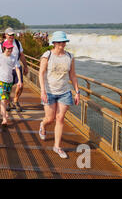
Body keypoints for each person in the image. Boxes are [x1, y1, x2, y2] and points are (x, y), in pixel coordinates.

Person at [38, 31, 80, 159]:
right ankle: (42, 125)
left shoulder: (69, 57)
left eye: (64, 42)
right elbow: (41, 73)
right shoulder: (47, 55)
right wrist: (43, 91)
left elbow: (72, 75)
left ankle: (57, 146)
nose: (62, 44)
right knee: (50, 119)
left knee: (60, 118)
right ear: (54, 43)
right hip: (50, 92)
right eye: (60, 42)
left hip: (64, 92)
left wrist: (77, 92)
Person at [0, 41, 22, 127]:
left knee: (6, 100)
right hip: (1, 80)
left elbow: (17, 69)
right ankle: (4, 119)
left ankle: (3, 111)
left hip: (9, 81)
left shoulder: (14, 57)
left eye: (11, 48)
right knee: (3, 98)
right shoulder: (0, 57)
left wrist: (20, 81)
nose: (10, 50)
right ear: (4, 48)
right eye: (8, 48)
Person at [0, 28, 28, 112]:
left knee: (20, 85)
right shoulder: (2, 44)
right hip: (7, 68)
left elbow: (21, 55)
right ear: (5, 35)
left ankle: (15, 101)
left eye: (13, 34)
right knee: (8, 87)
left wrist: (25, 66)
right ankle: (8, 102)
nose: (12, 36)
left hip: (17, 67)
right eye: (10, 35)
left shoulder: (18, 43)